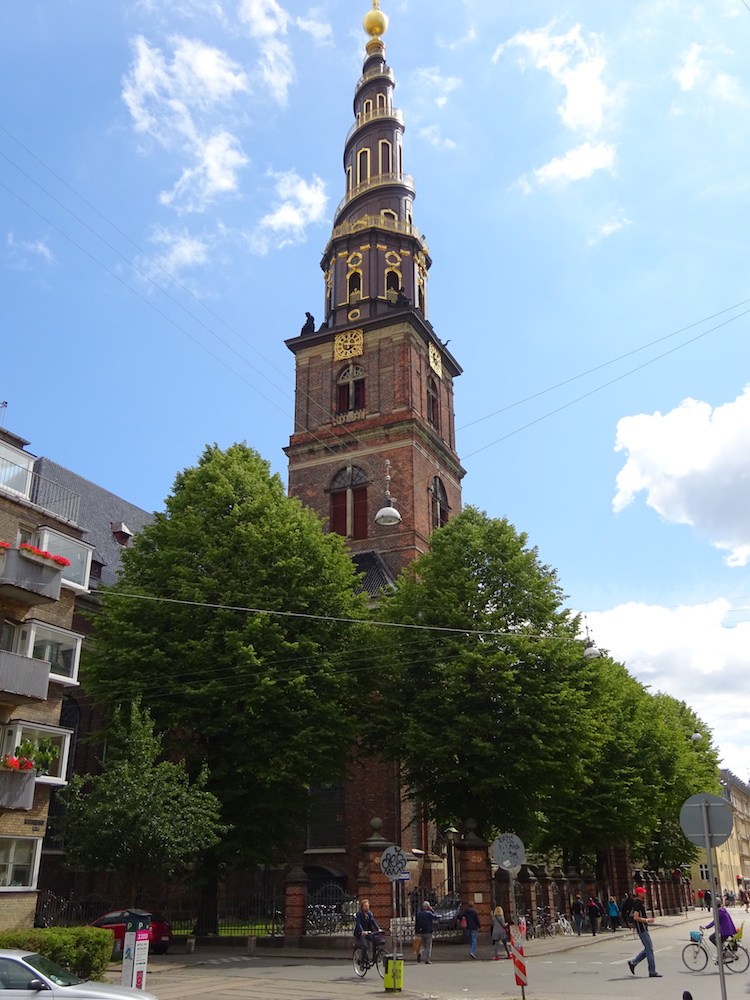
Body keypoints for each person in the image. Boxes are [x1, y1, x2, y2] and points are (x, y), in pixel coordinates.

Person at [627, 886, 661, 978]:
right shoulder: (637, 903)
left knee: (648, 948)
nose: (645, 893)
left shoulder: (639, 903)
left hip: (643, 928)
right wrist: (647, 920)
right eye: (643, 892)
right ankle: (652, 971)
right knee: (649, 949)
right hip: (641, 929)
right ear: (639, 893)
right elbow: (635, 917)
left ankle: (633, 962)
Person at [354, 898, 380, 965]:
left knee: (376, 941)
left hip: (368, 932)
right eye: (365, 906)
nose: (367, 908)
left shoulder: (369, 913)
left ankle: (374, 958)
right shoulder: (359, 914)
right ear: (362, 907)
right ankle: (362, 962)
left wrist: (378, 928)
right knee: (365, 946)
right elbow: (358, 923)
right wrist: (362, 931)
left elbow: (373, 921)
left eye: (368, 906)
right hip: (360, 933)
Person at [415, 900, 439, 964]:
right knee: (428, 946)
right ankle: (427, 960)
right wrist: (432, 910)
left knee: (423, 945)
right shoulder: (429, 913)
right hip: (428, 931)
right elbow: (436, 917)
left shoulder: (419, 914)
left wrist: (416, 931)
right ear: (428, 907)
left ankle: (420, 952)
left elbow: (416, 923)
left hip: (421, 931)